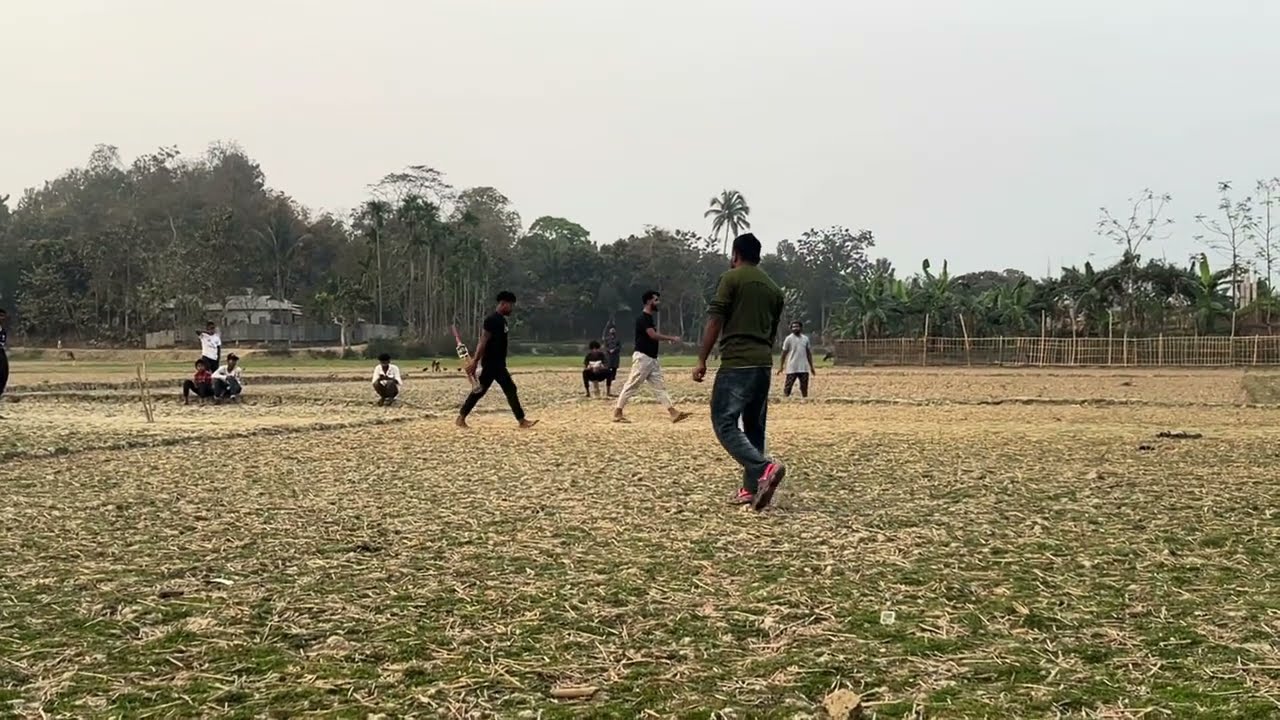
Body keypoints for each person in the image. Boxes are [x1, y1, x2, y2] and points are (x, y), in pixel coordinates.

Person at [693, 233, 787, 510]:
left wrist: (702, 359)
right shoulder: (773, 289)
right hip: (762, 363)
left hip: (737, 362)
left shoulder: (731, 279)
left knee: (724, 421)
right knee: (754, 427)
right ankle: (750, 489)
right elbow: (772, 330)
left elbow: (715, 320)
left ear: (736, 255)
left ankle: (763, 469)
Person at [457, 291, 537, 429]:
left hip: (498, 363)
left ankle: (461, 417)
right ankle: (521, 420)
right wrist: (475, 361)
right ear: (503, 304)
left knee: (481, 390)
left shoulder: (502, 320)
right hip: (492, 364)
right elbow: (483, 341)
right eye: (510, 305)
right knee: (507, 389)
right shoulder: (492, 320)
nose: (512, 308)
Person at [613, 291, 692, 424]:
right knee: (632, 384)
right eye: (656, 300)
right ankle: (617, 412)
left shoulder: (648, 318)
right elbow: (652, 335)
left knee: (659, 387)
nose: (658, 303)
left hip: (651, 359)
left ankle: (673, 412)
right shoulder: (643, 318)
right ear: (649, 301)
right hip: (643, 358)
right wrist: (671, 338)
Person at [779, 320, 816, 398]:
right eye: (793, 327)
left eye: (797, 326)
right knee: (788, 385)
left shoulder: (805, 339)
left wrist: (811, 367)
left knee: (804, 386)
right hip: (792, 366)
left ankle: (805, 399)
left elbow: (808, 353)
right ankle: (785, 399)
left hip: (803, 367)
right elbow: (784, 353)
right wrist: (781, 366)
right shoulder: (788, 339)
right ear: (791, 328)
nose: (795, 328)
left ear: (801, 328)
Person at [603, 326, 622, 396]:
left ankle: (613, 377)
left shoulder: (618, 339)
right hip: (608, 355)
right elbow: (605, 346)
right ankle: (608, 376)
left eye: (613, 332)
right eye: (611, 332)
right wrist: (609, 350)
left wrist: (614, 349)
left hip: (615, 355)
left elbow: (619, 347)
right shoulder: (607, 339)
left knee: (614, 367)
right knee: (608, 366)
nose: (612, 334)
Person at [0, 308, 9, 407]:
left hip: (1, 354)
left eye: (3, 316)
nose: (2, 318)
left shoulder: (3, 331)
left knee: (3, 378)